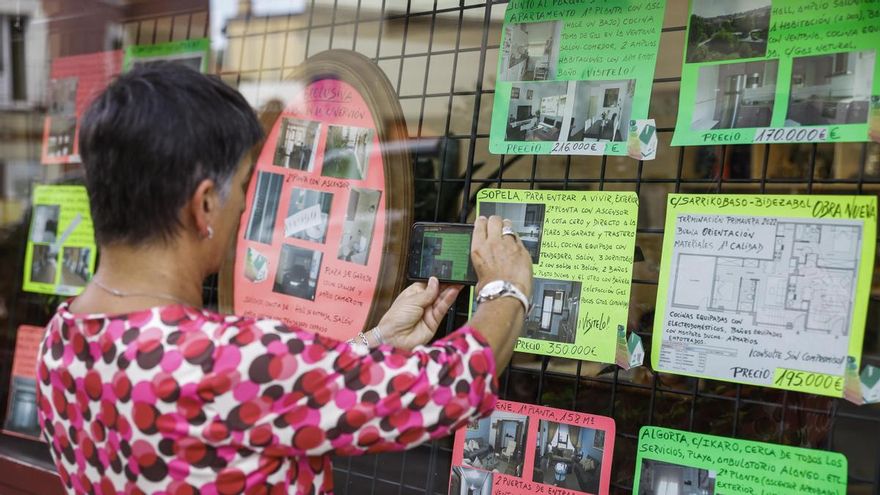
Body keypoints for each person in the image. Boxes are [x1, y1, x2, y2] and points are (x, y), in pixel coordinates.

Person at [36, 62, 533, 495]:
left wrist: (376, 340)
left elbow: (259, 401)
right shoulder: (228, 358)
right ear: (204, 204)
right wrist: (505, 289)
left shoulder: (60, 341)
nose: (246, 204)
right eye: (245, 183)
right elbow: (451, 387)